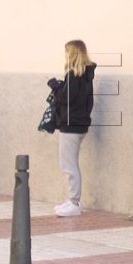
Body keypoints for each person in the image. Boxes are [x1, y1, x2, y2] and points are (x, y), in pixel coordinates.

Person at [48, 40, 96, 217]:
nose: (65, 56)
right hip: (80, 124)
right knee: (71, 164)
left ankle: (74, 202)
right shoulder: (86, 74)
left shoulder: (74, 75)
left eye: (67, 52)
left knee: (68, 165)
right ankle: (73, 201)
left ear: (73, 53)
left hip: (70, 125)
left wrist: (55, 85)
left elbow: (66, 98)